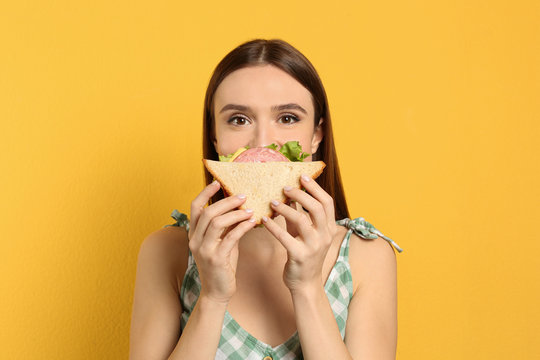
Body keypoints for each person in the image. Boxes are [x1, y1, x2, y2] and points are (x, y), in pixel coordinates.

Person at [129, 39, 402, 360]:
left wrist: (308, 290)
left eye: (287, 118)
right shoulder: (166, 251)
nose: (263, 144)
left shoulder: (366, 257)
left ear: (317, 135)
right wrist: (213, 298)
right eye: (238, 119)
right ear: (215, 136)